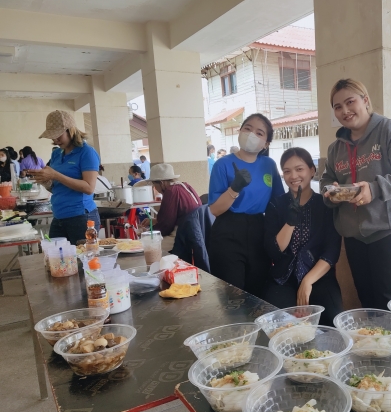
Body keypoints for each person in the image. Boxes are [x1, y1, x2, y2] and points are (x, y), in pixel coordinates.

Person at [320, 79, 391, 310]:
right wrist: (330, 192)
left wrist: (376, 188)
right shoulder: (335, 148)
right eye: (338, 107)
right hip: (356, 238)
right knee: (368, 303)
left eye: (350, 102)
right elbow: (327, 179)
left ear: (365, 100)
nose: (345, 110)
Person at [263, 148, 343, 326]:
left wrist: (307, 281)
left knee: (334, 319)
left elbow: (331, 252)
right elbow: (273, 252)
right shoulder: (276, 205)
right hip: (283, 278)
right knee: (280, 323)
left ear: (312, 170)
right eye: (287, 171)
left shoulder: (326, 205)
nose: (293, 176)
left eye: (299, 169)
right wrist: (290, 222)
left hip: (319, 277)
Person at [209, 113, 284, 297]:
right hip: (228, 231)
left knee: (257, 293)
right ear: (240, 131)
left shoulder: (269, 165)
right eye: (248, 129)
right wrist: (235, 188)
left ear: (266, 143)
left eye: (259, 133)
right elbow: (215, 209)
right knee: (232, 295)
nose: (251, 135)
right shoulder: (223, 164)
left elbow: (279, 201)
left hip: (260, 230)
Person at [29, 110, 100, 245]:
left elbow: (89, 188)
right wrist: (45, 181)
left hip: (81, 216)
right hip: (59, 216)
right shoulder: (56, 154)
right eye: (52, 137)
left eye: (58, 135)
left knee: (83, 256)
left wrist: (55, 175)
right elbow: (57, 188)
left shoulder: (86, 152)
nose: (55, 140)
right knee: (56, 255)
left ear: (70, 130)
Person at [139, 163, 201, 251]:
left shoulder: (171, 191)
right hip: (196, 230)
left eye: (154, 185)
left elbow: (166, 225)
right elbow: (175, 215)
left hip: (183, 234)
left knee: (146, 246)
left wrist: (149, 233)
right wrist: (155, 220)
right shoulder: (185, 186)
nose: (155, 188)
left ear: (161, 183)